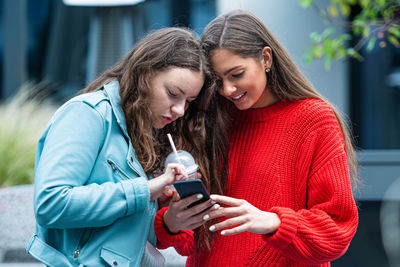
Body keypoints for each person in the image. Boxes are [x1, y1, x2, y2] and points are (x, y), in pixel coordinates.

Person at [154, 10, 359, 266]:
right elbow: (192, 240)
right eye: (218, 80)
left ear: (265, 58)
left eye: (237, 74)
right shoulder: (210, 119)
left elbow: (336, 231)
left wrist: (274, 222)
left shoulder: (314, 120)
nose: (227, 89)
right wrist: (172, 221)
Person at [26, 27, 215, 266]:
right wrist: (145, 190)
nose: (180, 110)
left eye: (188, 101)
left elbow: (124, 237)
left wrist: (170, 221)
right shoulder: (89, 113)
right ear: (144, 73)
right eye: (173, 93)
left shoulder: (146, 131)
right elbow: (50, 204)